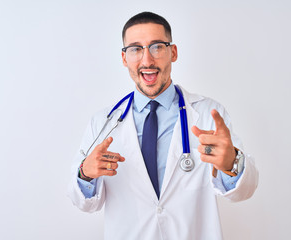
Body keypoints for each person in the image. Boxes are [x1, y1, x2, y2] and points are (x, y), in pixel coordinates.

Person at [68, 11, 259, 240]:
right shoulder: (102, 123)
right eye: (135, 49)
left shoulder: (208, 114)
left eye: (157, 46)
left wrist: (232, 163)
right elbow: (83, 203)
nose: (147, 60)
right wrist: (85, 174)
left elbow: (245, 191)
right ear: (124, 58)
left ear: (173, 52)